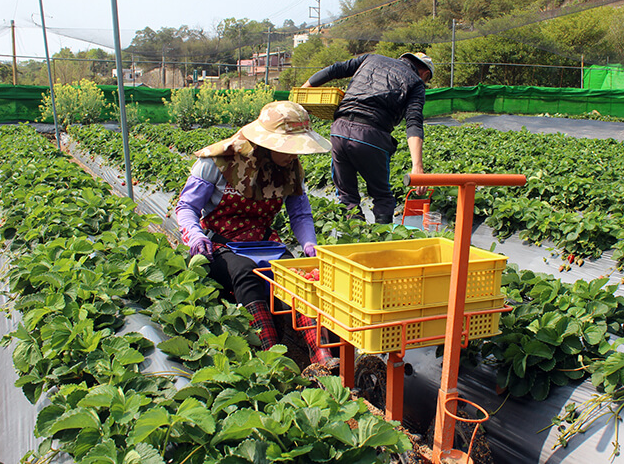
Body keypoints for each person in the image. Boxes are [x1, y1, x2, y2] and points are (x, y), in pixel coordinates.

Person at [174, 100, 335, 366]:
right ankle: (270, 354)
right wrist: (195, 234)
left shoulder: (291, 168)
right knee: (245, 273)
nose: (294, 154)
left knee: (298, 277)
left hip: (264, 241)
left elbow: (300, 213)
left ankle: (322, 354)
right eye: (288, 147)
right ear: (266, 141)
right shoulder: (219, 161)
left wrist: (309, 244)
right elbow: (187, 206)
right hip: (222, 244)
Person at [301, 52, 434, 224]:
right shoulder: (416, 83)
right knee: (382, 196)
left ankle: (354, 238)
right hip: (371, 136)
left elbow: (335, 69)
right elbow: (414, 122)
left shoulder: (372, 58)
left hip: (339, 131)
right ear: (425, 74)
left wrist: (304, 90)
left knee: (347, 196)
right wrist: (418, 167)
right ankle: (381, 241)